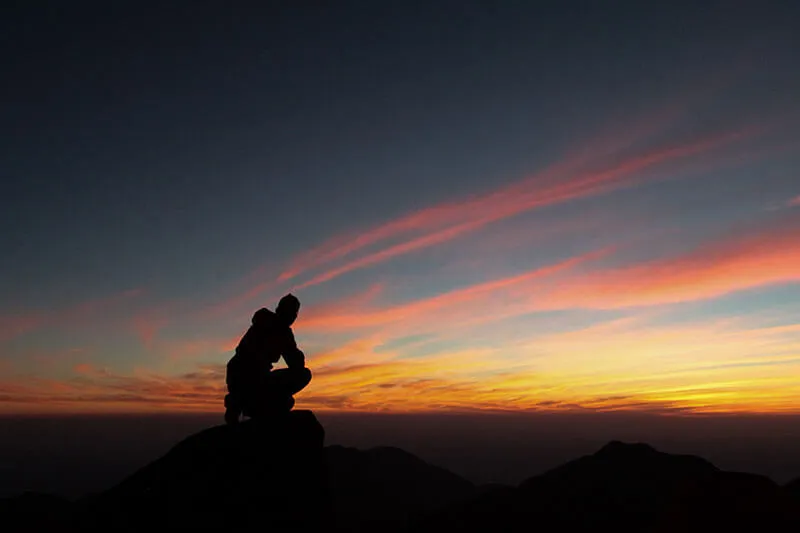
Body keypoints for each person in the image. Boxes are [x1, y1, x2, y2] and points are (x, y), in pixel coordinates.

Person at [224, 293, 312, 424]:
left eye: (294, 313)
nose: (293, 317)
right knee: (303, 376)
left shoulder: (268, 325)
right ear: (280, 310)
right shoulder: (276, 327)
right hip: (248, 379)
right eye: (291, 312)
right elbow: (296, 364)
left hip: (244, 379)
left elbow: (295, 362)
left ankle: (246, 406)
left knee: (287, 401)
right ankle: (244, 405)